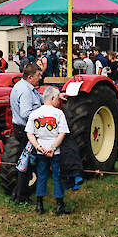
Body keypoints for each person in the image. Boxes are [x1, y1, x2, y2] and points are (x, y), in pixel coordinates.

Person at [25, 86, 71, 215]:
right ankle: (59, 205)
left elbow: (30, 133)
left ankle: (39, 204)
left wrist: (38, 147)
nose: (58, 102)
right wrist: (53, 147)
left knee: (41, 175)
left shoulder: (35, 113)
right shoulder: (58, 113)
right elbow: (62, 133)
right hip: (54, 151)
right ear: (52, 98)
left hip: (41, 150)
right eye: (57, 99)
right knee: (57, 176)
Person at [8, 63, 43, 205]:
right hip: (25, 130)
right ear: (30, 77)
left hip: (21, 128)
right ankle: (22, 197)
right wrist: (42, 116)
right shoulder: (26, 91)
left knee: (24, 161)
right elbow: (25, 113)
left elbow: (40, 98)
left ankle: (17, 193)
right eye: (38, 75)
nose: (40, 78)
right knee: (26, 163)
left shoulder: (23, 87)